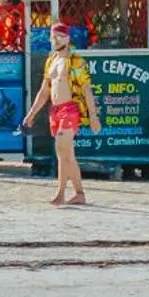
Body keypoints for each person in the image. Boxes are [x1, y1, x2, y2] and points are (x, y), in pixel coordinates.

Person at [24, 22, 101, 206]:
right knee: (66, 154)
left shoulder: (76, 61)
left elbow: (87, 90)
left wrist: (93, 117)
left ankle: (60, 193)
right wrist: (31, 114)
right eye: (53, 37)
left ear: (67, 38)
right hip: (55, 110)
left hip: (70, 109)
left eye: (59, 36)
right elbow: (44, 92)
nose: (55, 40)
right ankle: (79, 193)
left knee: (60, 147)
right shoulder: (51, 60)